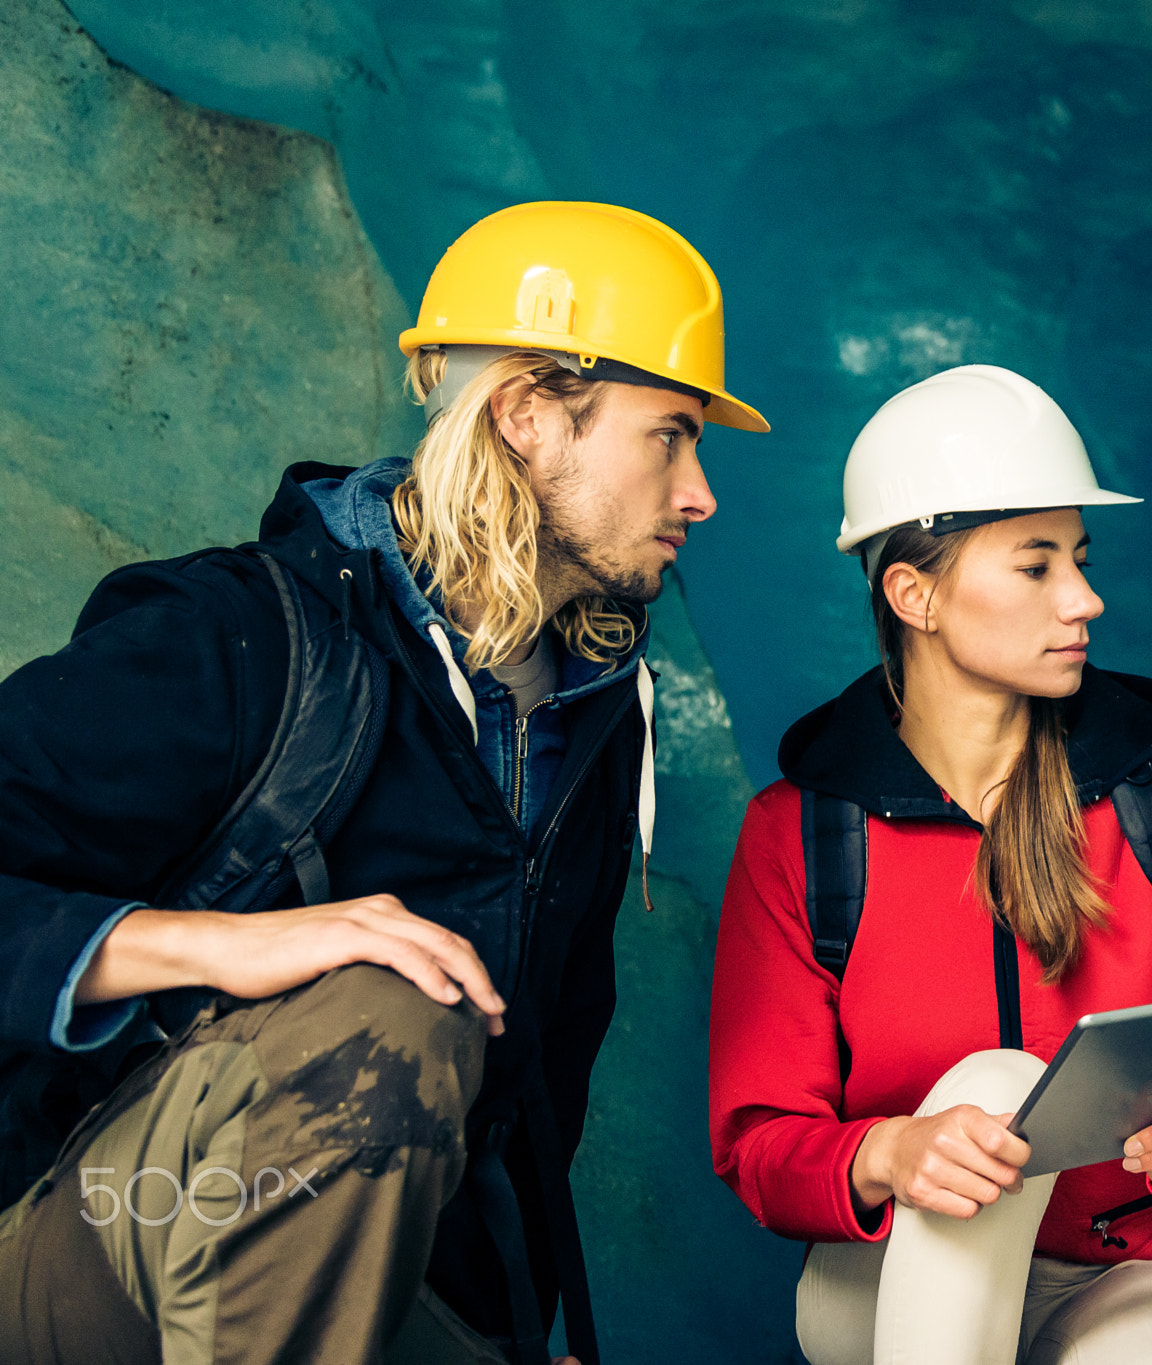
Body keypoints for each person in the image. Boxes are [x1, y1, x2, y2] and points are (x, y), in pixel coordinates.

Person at [0, 200, 767, 1364]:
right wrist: (214, 947)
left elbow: (527, 1101)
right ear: (524, 416)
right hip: (82, 1243)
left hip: (337, 1298)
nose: (699, 491)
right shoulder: (238, 640)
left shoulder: (588, 720)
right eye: (670, 434)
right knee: (390, 1004)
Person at [709, 364, 1152, 1363]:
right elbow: (758, 1143)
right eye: (1035, 567)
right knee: (990, 1085)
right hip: (888, 1272)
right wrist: (889, 1151)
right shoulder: (800, 833)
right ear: (914, 594)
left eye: (1079, 558)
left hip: (1122, 1268)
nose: (1085, 598)